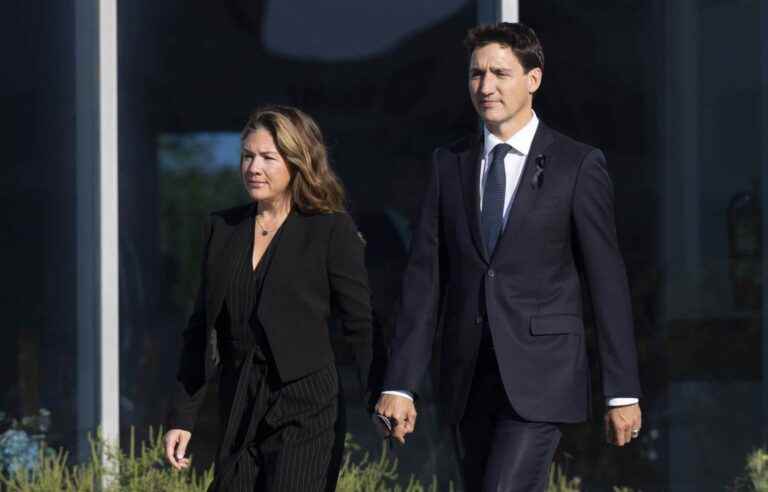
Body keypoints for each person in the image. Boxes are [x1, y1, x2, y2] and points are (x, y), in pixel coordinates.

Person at [374, 22, 642, 491]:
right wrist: (400, 384)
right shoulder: (448, 164)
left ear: (533, 79)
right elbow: (424, 282)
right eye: (476, 74)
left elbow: (607, 282)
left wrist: (621, 391)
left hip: (542, 377)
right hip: (467, 377)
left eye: (500, 73)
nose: (486, 86)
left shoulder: (578, 165)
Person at [163, 105, 373, 491]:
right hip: (241, 402)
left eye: (267, 158)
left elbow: (361, 323)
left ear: (296, 162)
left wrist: (386, 394)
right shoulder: (223, 228)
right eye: (247, 156)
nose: (253, 167)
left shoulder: (329, 230)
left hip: (306, 404)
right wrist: (182, 416)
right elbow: (200, 330)